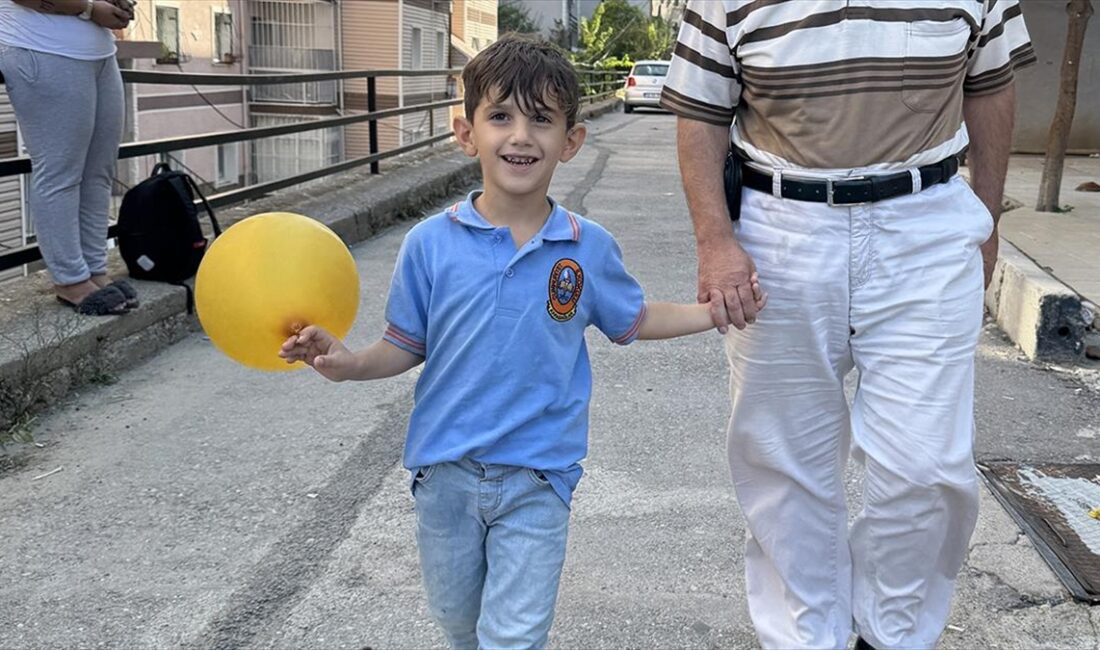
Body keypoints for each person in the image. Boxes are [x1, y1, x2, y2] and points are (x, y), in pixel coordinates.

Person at [280, 35, 764, 649]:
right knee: (459, 624)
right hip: (444, 472)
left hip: (539, 477)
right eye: (500, 116)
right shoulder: (429, 244)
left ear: (571, 141)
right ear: (466, 133)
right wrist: (345, 363)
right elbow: (404, 345)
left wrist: (715, 311)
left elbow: (634, 320)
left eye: (541, 120)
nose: (520, 136)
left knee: (512, 636)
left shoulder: (586, 247)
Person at [661, 2, 1035, 649]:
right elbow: (699, 110)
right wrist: (714, 240)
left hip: (926, 224)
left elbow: (991, 82)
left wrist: (988, 218)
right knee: (784, 461)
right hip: (780, 226)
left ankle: (891, 634)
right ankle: (807, 636)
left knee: (928, 465)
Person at [0, 0, 138, 315]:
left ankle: (94, 270)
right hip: (41, 49)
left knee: (98, 173)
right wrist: (90, 9)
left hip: (99, 54)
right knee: (60, 172)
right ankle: (70, 281)